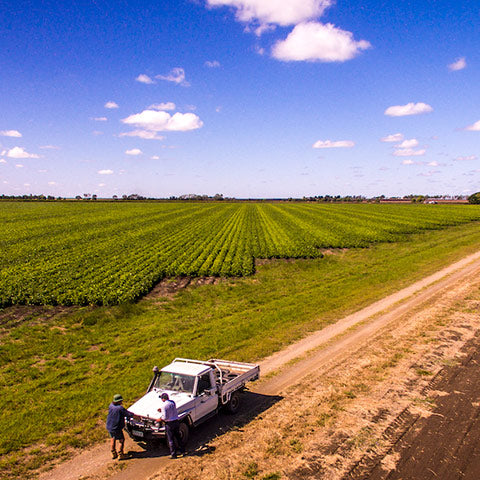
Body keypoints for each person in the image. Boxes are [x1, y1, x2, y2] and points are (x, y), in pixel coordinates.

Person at [157, 392, 185, 458]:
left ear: (163, 399)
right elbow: (170, 410)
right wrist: (162, 410)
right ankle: (183, 451)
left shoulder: (163, 406)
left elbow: (165, 417)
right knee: (178, 437)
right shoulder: (173, 402)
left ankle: (173, 454)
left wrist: (160, 419)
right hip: (176, 422)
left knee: (171, 439)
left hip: (170, 424)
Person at [106, 393, 133, 460]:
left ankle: (113, 453)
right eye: (121, 401)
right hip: (117, 427)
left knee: (113, 438)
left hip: (110, 426)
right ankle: (121, 454)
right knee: (121, 440)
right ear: (118, 401)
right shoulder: (120, 408)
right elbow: (128, 414)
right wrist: (136, 416)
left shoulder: (111, 405)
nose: (121, 402)